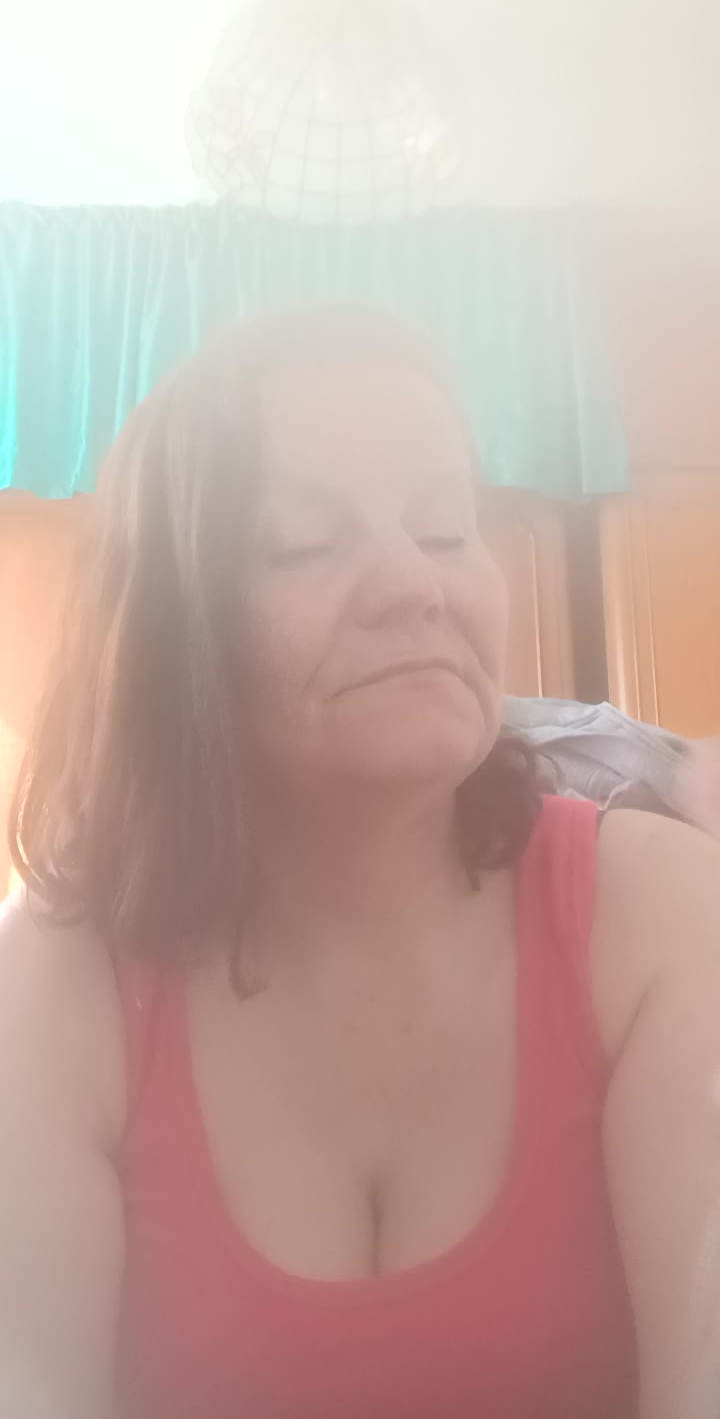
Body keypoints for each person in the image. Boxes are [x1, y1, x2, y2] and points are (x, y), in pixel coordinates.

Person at [1, 303, 720, 1419]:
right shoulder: (61, 983)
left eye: (446, 528)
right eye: (304, 542)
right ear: (173, 628)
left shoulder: (658, 910)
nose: (415, 585)